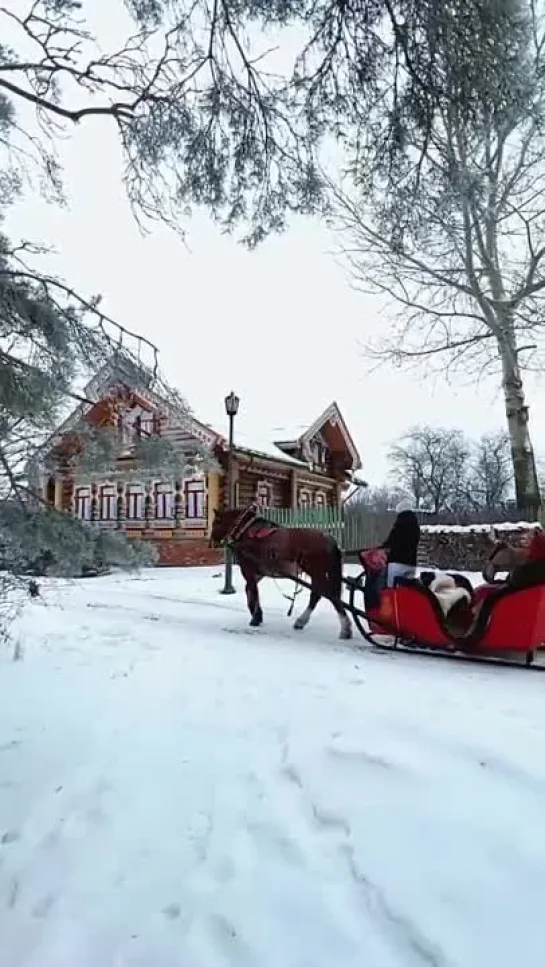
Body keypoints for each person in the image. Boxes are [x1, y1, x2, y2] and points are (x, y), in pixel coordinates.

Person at [382, 498, 420, 588]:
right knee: (407, 590)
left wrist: (384, 546)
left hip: (396, 563)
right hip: (411, 564)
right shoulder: (416, 526)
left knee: (392, 589)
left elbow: (391, 541)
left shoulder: (400, 524)